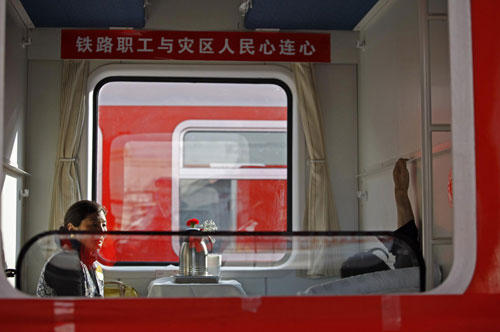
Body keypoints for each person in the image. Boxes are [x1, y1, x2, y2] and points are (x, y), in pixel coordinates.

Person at [340, 158, 420, 278]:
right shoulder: (402, 274)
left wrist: (399, 189)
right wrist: (400, 190)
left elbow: (406, 236)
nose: (368, 253)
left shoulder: (399, 270)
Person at [36, 200, 107, 297]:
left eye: (104, 225)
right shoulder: (64, 262)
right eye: (94, 225)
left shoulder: (91, 262)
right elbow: (77, 309)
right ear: (72, 229)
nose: (102, 231)